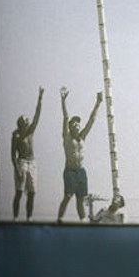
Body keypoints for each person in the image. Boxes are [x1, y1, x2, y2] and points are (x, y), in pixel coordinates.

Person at [57, 87, 103, 223]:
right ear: (70, 126)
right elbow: (65, 117)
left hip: (81, 171)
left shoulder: (82, 136)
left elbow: (91, 120)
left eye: (78, 123)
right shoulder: (67, 137)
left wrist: (98, 102)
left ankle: (83, 221)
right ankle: (60, 219)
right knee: (68, 196)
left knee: (80, 199)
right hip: (70, 171)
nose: (77, 124)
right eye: (74, 123)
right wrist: (63, 101)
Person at [11, 86, 44, 221]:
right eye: (25, 121)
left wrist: (40, 98)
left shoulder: (30, 131)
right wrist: (17, 169)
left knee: (32, 192)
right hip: (22, 162)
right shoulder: (16, 135)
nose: (27, 122)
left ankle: (29, 217)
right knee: (19, 191)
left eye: (27, 121)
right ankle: (15, 217)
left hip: (32, 162)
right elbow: (13, 154)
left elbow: (37, 115)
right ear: (20, 124)